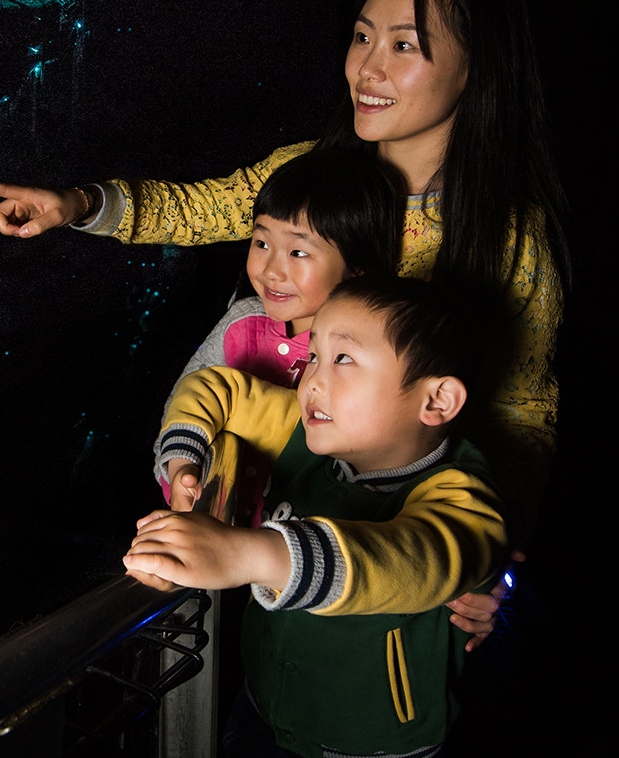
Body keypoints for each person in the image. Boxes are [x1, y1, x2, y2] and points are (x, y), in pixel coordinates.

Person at [0, 0, 567, 642]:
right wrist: (76, 204)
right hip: (266, 519)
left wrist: (496, 547)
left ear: (478, 66)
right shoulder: (310, 169)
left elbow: (524, 413)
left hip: (397, 536)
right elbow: (201, 206)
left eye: (404, 44)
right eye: (362, 35)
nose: (367, 67)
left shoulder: (509, 238)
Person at [124, 276, 507, 758]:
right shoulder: (306, 431)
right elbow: (216, 386)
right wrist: (185, 461)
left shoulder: (463, 496)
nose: (312, 381)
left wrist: (248, 554)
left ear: (436, 401)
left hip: (369, 744)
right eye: (313, 357)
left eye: (343, 359)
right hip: (263, 705)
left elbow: (408, 559)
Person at [155, 148, 401, 512]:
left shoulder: (373, 348)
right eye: (262, 243)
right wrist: (182, 474)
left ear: (359, 266)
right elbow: (181, 403)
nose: (272, 270)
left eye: (298, 252)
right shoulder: (241, 322)